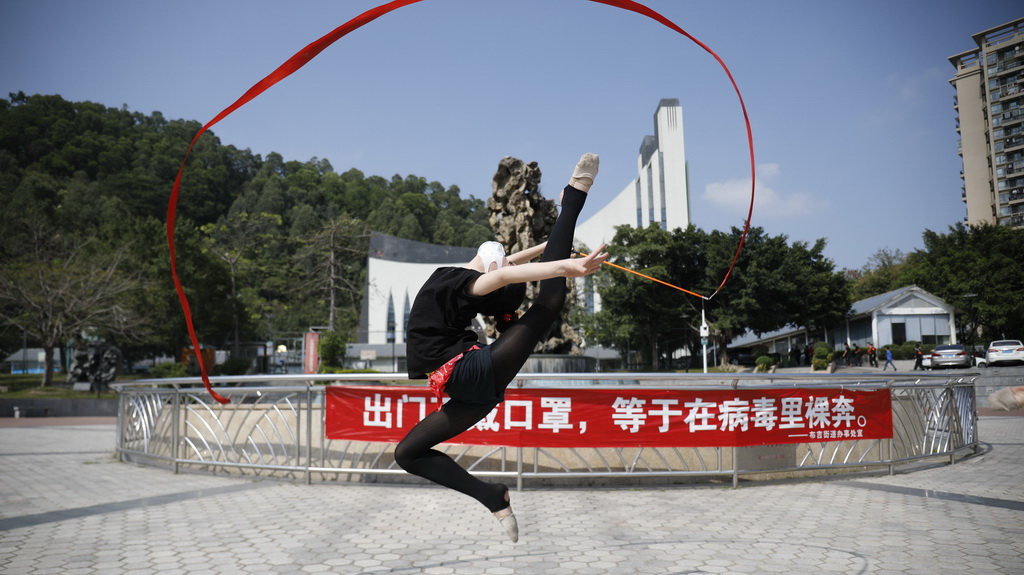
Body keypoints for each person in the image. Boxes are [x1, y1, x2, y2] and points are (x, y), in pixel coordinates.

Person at [396, 154, 608, 543]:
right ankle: (493, 496)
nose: (504, 261)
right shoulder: (463, 280)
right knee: (407, 453)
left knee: (549, 302)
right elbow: (512, 265)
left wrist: (563, 257)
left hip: (469, 375)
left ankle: (575, 195)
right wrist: (560, 257)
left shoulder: (466, 282)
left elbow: (509, 269)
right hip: (469, 389)